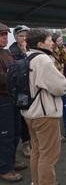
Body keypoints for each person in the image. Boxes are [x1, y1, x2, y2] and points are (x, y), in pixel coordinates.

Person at [22, 28, 66, 185]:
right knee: (49, 154)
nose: (53, 42)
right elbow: (60, 86)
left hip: (30, 113)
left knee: (37, 152)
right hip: (45, 114)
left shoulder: (27, 57)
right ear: (40, 44)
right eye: (50, 40)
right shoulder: (43, 60)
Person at [0, 23, 28, 183]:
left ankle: (11, 161)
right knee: (5, 136)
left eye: (6, 34)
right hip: (2, 101)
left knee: (16, 132)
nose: (5, 37)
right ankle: (4, 168)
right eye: (2, 35)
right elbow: (2, 77)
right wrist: (15, 73)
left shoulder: (6, 52)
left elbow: (12, 70)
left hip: (12, 100)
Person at [9, 25, 32, 157]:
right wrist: (24, 54)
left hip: (31, 87)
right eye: (21, 36)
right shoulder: (12, 52)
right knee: (23, 116)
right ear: (16, 37)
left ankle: (33, 139)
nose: (24, 38)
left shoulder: (30, 48)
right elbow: (20, 69)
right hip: (20, 90)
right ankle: (25, 142)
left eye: (25, 36)